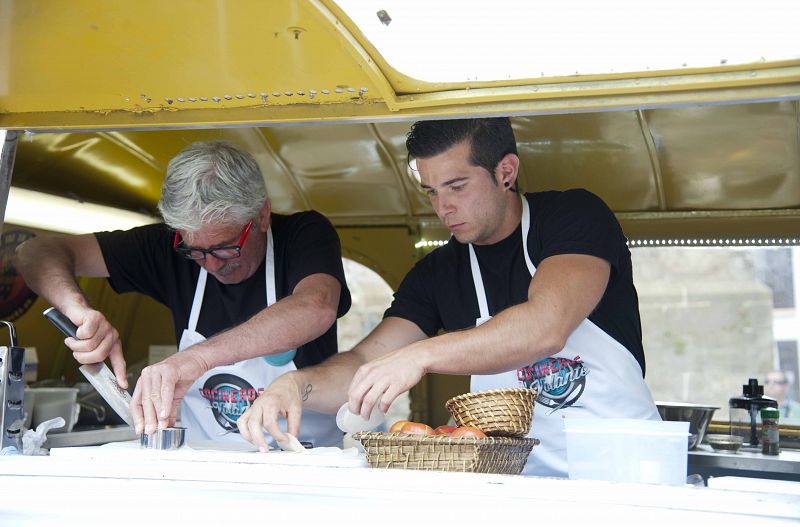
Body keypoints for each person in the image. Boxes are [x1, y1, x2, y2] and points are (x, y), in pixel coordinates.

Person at [238, 117, 660, 476]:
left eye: (457, 186)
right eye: (431, 192)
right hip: (515, 485)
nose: (443, 208)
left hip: (622, 477)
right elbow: (366, 364)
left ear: (506, 172)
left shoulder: (574, 217)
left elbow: (545, 327)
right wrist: (297, 383)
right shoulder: (437, 274)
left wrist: (420, 355)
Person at [14, 141, 351, 449]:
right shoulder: (167, 248)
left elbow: (315, 307)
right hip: (204, 467)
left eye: (224, 247)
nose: (210, 264)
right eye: (195, 251)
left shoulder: (304, 235)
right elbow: (35, 252)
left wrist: (194, 359)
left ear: (261, 215)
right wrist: (79, 311)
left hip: (305, 463)